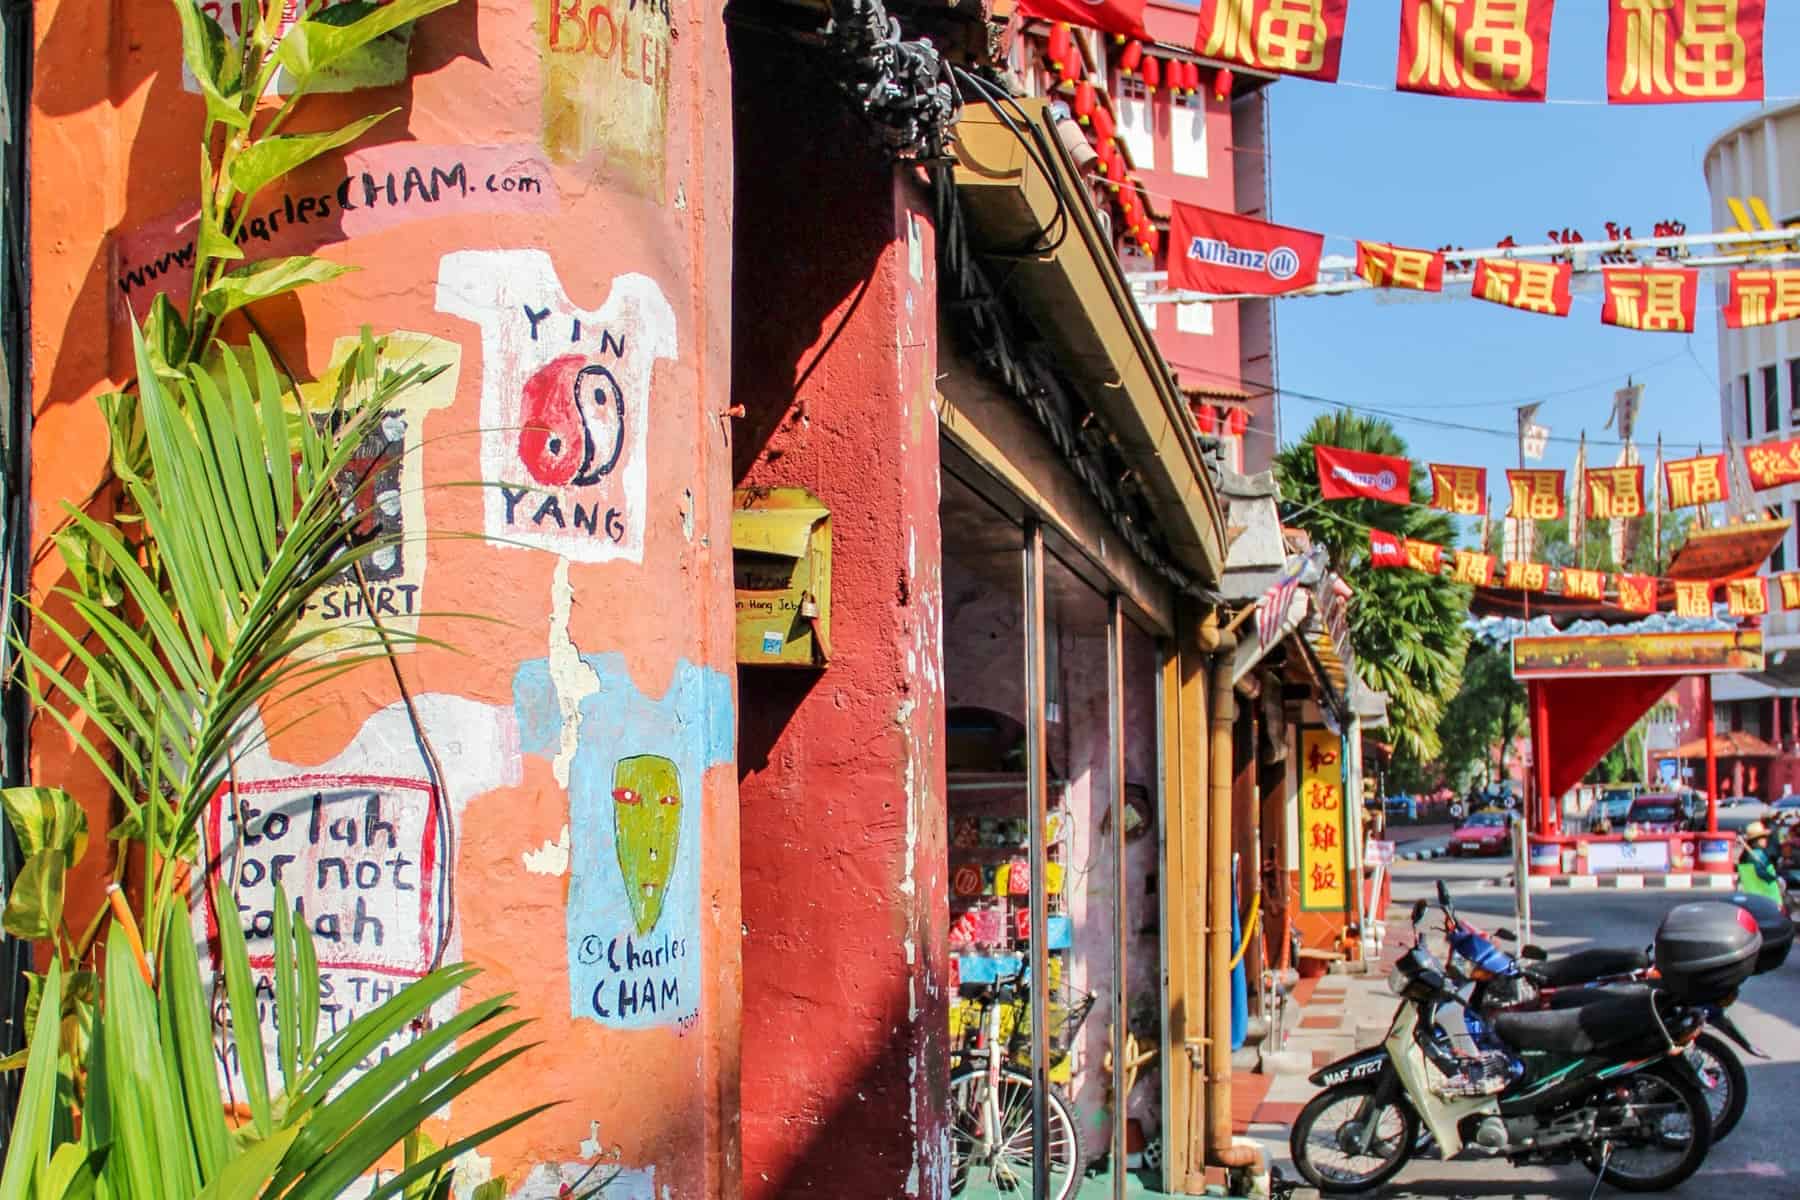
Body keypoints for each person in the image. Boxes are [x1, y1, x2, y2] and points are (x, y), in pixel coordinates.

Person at [1737, 821, 1783, 905]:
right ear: (1757, 840)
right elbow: (1761, 872)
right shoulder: (1758, 854)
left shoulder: (1745, 856)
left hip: (1752, 897)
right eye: (1764, 838)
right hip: (1767, 898)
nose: (1766, 840)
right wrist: (1775, 879)